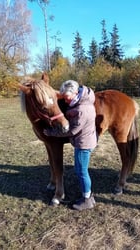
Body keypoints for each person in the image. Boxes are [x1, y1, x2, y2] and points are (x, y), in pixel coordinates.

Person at [44, 80, 97, 211]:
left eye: (66, 98)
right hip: (85, 140)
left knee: (81, 171)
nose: (65, 101)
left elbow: (73, 130)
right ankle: (89, 196)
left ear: (74, 93)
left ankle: (87, 199)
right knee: (80, 170)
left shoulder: (82, 109)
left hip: (83, 143)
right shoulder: (81, 102)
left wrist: (52, 132)